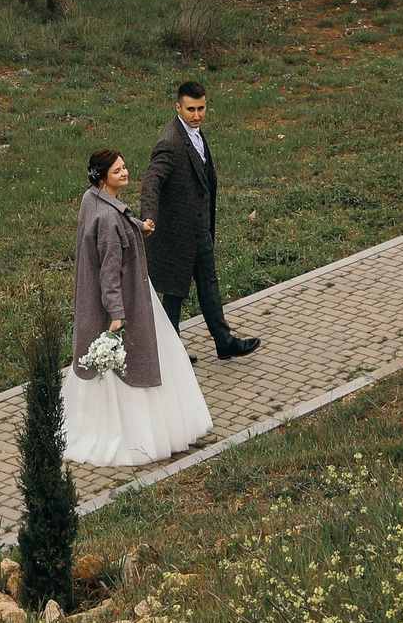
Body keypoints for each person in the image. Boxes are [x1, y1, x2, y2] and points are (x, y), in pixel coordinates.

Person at [64, 147, 212, 466]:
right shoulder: (107, 218)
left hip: (103, 301)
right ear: (102, 178)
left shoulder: (92, 200)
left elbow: (118, 220)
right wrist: (117, 315)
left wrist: (137, 228)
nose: (125, 172)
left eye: (125, 167)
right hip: (128, 300)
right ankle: (137, 435)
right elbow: (110, 272)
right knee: (140, 359)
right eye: (117, 171)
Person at [140, 80, 259, 360]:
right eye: (191, 109)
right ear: (177, 107)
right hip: (177, 232)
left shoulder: (194, 132)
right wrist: (148, 215)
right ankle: (171, 354)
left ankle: (223, 342)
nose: (197, 115)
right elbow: (151, 179)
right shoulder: (169, 142)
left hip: (199, 228)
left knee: (208, 284)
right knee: (174, 292)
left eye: (201, 108)